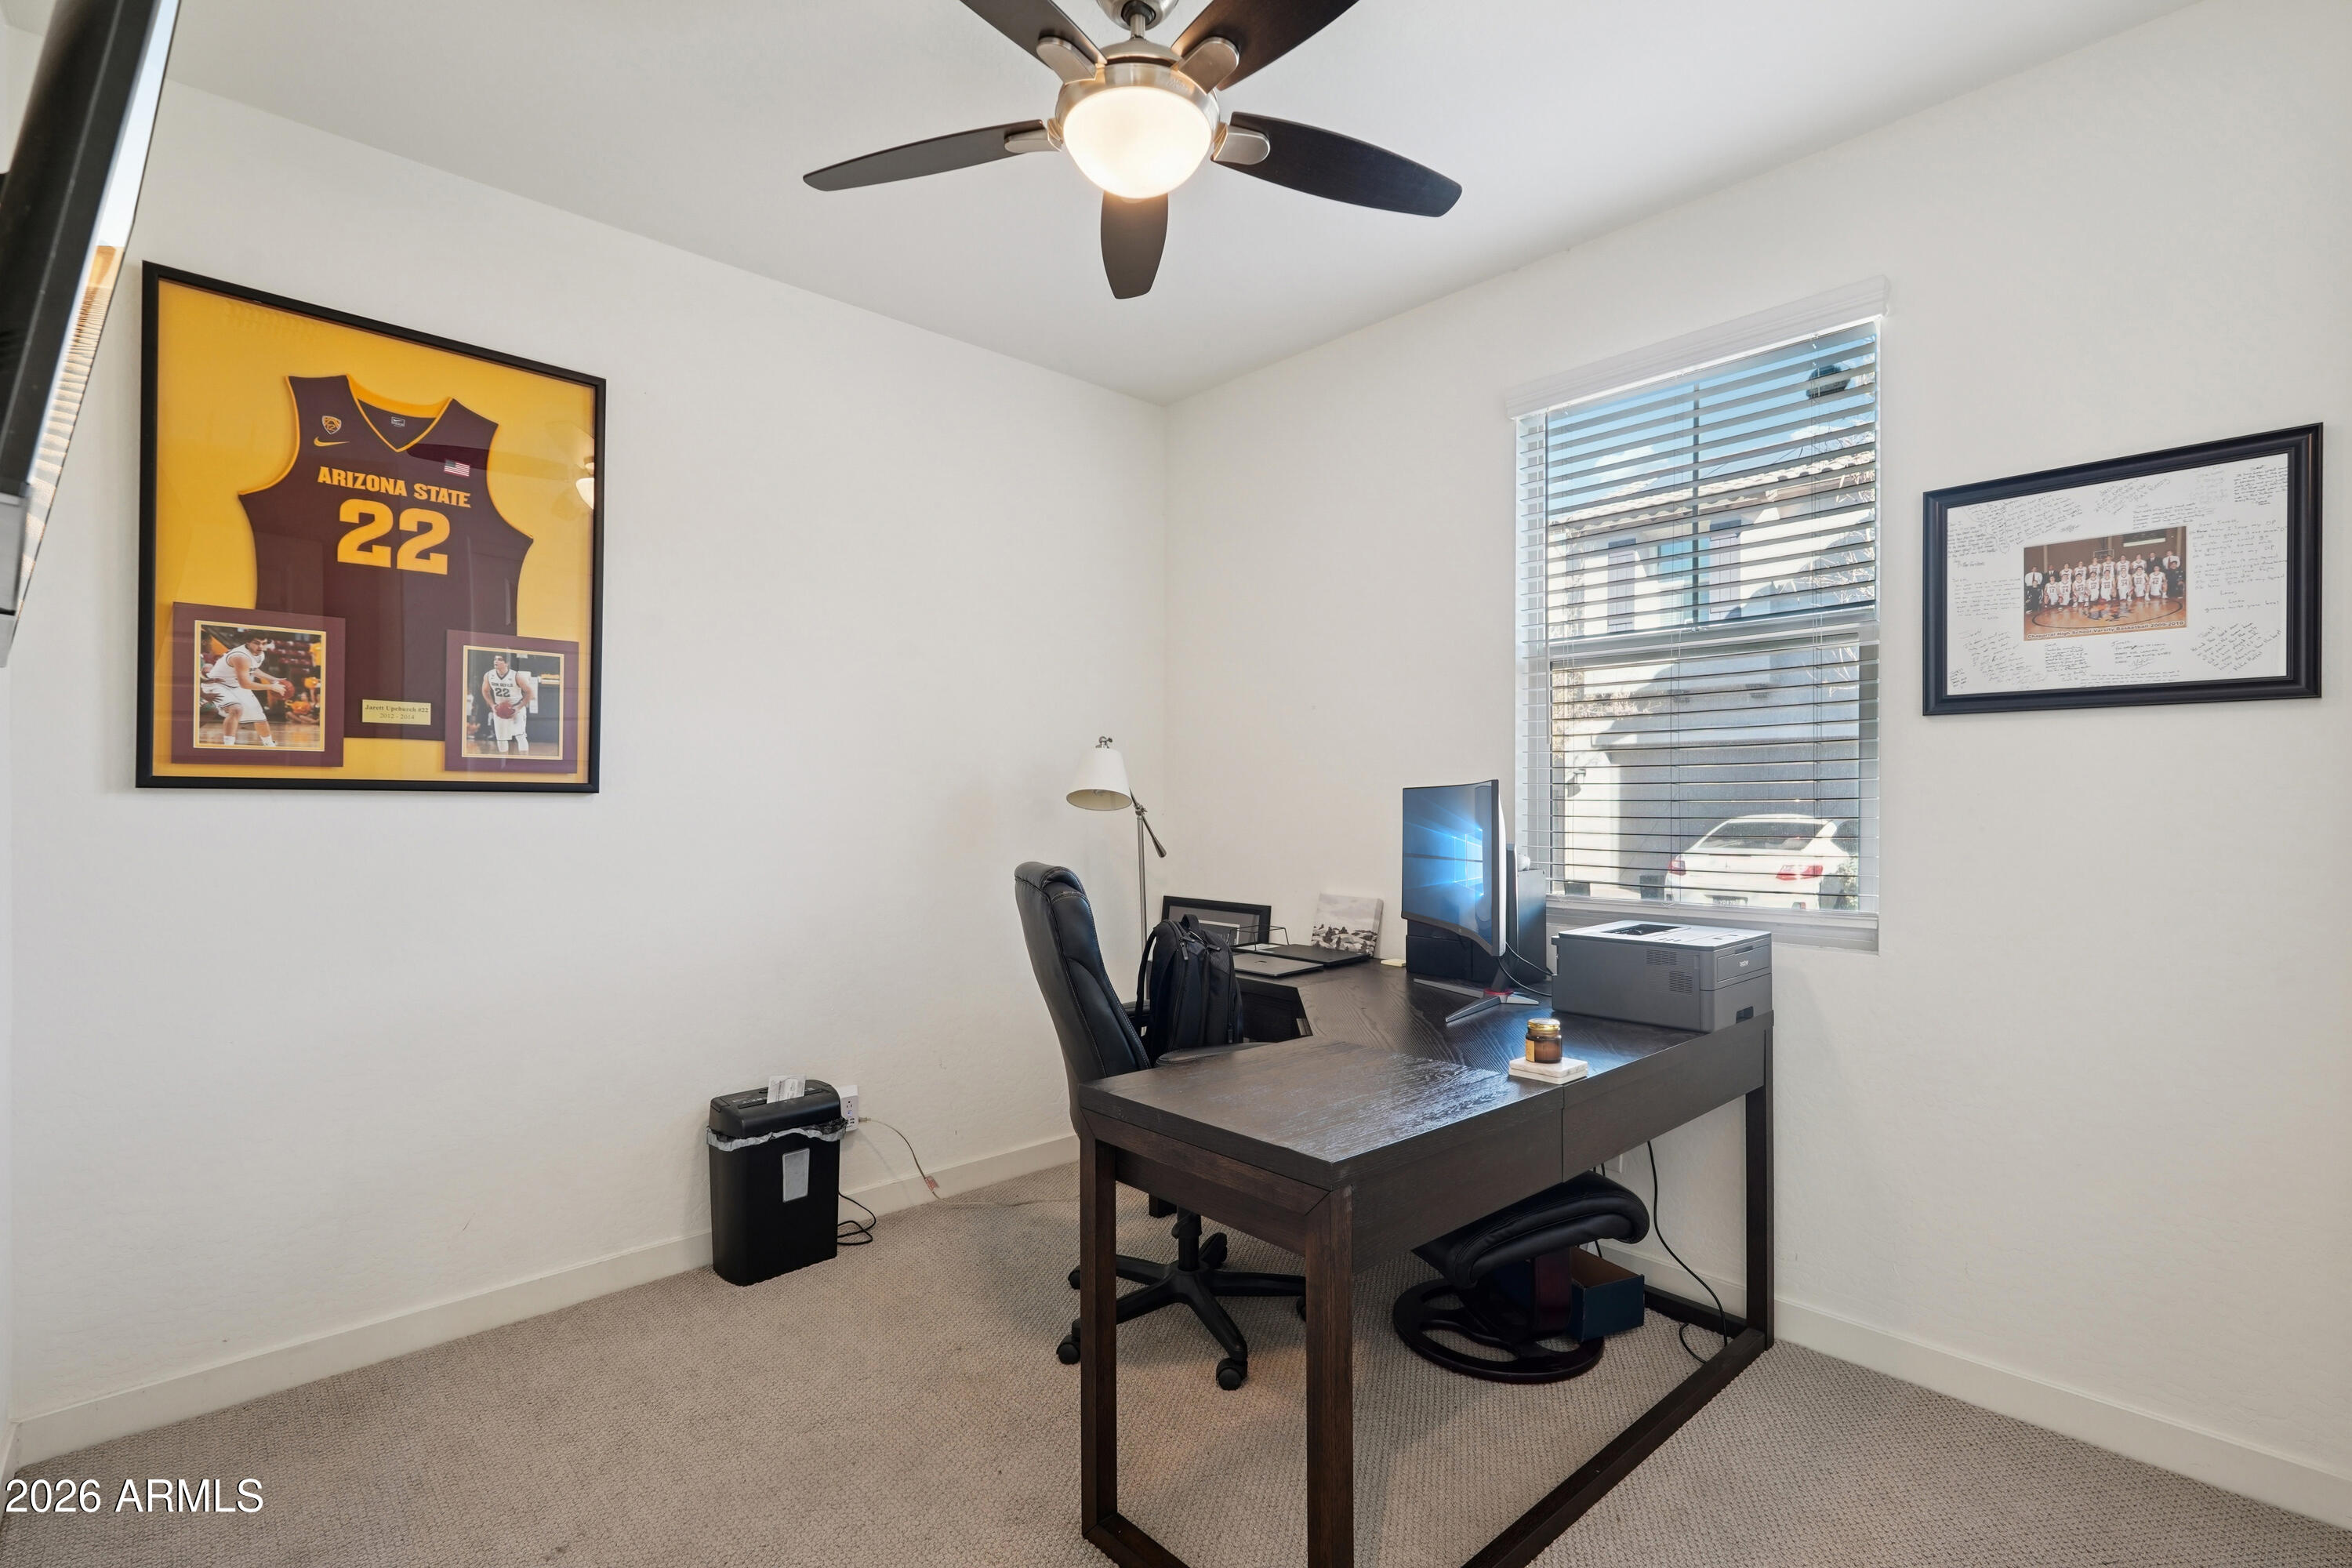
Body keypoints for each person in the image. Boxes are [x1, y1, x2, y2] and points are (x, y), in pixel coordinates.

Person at [201, 633, 290, 747]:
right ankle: (228, 746)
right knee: (236, 709)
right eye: (256, 643)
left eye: (263, 644)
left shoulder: (259, 654)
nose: (261, 647)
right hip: (217, 684)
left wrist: (272, 679)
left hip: (235, 684)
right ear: (248, 642)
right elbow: (246, 684)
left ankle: (269, 744)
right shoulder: (240, 657)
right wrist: (271, 687)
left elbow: (252, 669)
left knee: (260, 718)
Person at [480, 653, 532, 754]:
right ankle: (504, 763)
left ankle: (524, 762)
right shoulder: (489, 675)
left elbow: (530, 692)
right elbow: (485, 691)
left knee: (520, 735)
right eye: (495, 659)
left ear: (507, 663)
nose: (496, 661)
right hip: (500, 709)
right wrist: (492, 705)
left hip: (516, 708)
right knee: (501, 739)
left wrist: (518, 707)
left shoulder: (516, 676)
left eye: (500, 659)